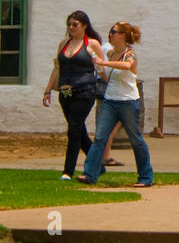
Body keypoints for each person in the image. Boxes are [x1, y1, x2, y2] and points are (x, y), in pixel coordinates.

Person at [78, 22, 153, 187]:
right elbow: (108, 78)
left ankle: (146, 177)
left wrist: (103, 63)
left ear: (123, 36)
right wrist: (98, 68)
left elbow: (127, 66)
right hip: (110, 101)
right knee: (99, 137)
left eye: (114, 32)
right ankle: (90, 174)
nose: (110, 35)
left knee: (136, 139)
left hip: (128, 102)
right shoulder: (110, 53)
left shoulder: (130, 54)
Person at [41, 11, 104, 180]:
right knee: (79, 129)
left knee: (74, 129)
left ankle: (68, 171)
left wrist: (97, 64)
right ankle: (97, 163)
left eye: (75, 24)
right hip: (66, 91)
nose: (71, 27)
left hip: (85, 90)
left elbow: (101, 70)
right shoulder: (63, 44)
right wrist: (48, 90)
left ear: (84, 26)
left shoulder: (92, 44)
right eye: (69, 24)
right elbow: (57, 68)